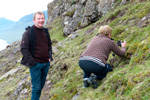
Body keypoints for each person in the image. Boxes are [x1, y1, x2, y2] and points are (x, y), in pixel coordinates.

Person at [20, 11, 53, 100]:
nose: (41, 20)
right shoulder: (28, 32)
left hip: (46, 64)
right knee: (36, 88)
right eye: (38, 18)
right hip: (36, 65)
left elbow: (49, 45)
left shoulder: (45, 31)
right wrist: (33, 63)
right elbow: (23, 49)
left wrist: (50, 57)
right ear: (34, 20)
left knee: (41, 86)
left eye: (42, 18)